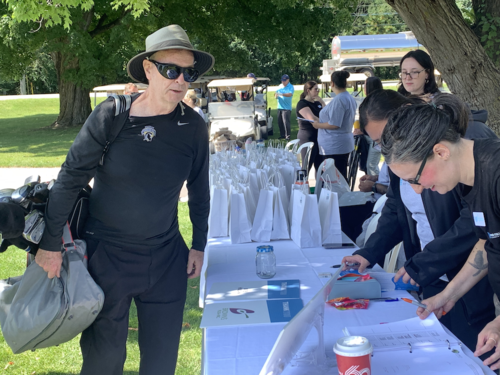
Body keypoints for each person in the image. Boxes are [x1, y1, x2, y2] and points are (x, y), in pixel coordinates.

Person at [36, 24, 214, 375]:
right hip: (108, 258)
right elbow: (70, 178)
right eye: (170, 70)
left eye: (188, 72)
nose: (180, 79)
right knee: (104, 362)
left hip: (165, 258)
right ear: (148, 69)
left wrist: (199, 245)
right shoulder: (112, 115)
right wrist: (50, 244)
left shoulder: (193, 126)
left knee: (161, 363)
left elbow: (199, 188)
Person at [342, 90, 496, 355]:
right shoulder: (473, 178)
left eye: (415, 178)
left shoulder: (494, 172)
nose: (416, 191)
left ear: (441, 152)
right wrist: (448, 295)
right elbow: (486, 242)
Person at [312, 71, 356, 180]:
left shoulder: (340, 99)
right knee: (338, 177)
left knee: (334, 180)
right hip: (340, 143)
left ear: (332, 83)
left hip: (335, 146)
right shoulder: (348, 97)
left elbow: (335, 124)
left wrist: (318, 125)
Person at [295, 81, 325, 175]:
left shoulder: (317, 103)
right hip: (308, 137)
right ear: (308, 90)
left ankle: (320, 188)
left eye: (318, 89)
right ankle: (302, 186)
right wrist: (325, 122)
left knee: (321, 167)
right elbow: (312, 119)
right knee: (307, 165)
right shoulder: (302, 103)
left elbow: (327, 114)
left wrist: (321, 101)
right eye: (315, 89)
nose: (318, 91)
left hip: (319, 137)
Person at [361, 76, 384, 177]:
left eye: (365, 85)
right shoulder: (381, 99)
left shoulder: (372, 102)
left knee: (371, 164)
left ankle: (376, 185)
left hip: (376, 138)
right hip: (375, 137)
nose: (363, 88)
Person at [275, 74, 294, 140]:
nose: (283, 82)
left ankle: (287, 136)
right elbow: (276, 93)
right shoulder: (280, 86)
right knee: (280, 122)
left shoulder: (290, 86)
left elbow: (290, 94)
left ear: (288, 80)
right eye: (282, 80)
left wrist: (281, 94)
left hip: (286, 108)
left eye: (284, 81)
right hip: (280, 106)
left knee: (286, 122)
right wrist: (276, 96)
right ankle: (282, 135)